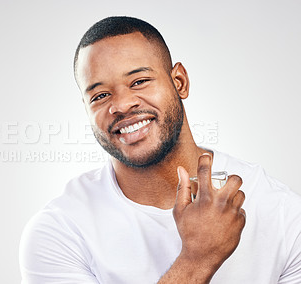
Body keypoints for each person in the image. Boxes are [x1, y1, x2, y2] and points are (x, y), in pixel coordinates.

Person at [19, 16, 301, 283]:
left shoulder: (282, 214)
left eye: (139, 81)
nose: (122, 105)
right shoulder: (59, 231)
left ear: (180, 82)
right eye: (100, 95)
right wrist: (197, 259)